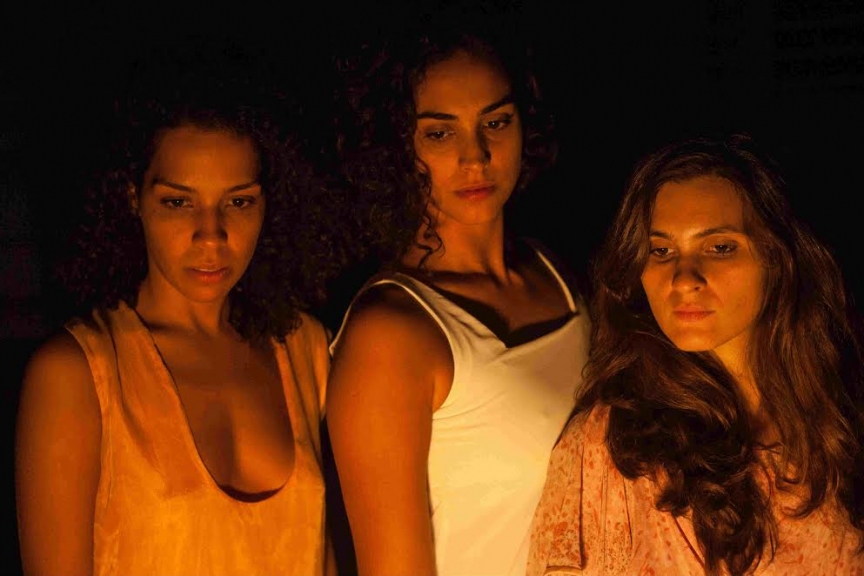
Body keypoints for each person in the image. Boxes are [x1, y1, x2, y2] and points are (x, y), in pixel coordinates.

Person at [14, 51, 343, 576]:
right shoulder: (79, 375)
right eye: (179, 202)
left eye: (238, 202)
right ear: (133, 198)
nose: (210, 236)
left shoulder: (306, 350)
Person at [325, 15, 592, 576]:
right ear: (395, 147)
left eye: (496, 122)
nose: (476, 157)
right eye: (440, 133)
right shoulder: (391, 333)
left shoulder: (560, 277)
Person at [527, 134, 864, 576]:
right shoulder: (612, 450)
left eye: (719, 247)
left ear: (779, 260)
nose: (683, 279)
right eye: (661, 251)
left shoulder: (842, 420)